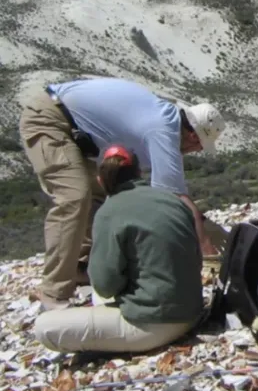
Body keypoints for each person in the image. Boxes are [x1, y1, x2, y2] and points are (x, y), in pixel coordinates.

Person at [18, 77, 225, 311]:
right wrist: (208, 249)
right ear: (193, 137)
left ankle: (81, 268)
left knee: (99, 197)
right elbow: (174, 197)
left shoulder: (165, 119)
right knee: (74, 197)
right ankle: (53, 293)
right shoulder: (164, 129)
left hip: (76, 132)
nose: (196, 152)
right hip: (50, 120)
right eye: (199, 147)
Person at [33, 145, 206, 354]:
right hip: (194, 311)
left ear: (101, 181)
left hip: (153, 326)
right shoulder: (173, 200)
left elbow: (105, 285)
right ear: (139, 173)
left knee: (45, 327)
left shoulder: (109, 212)